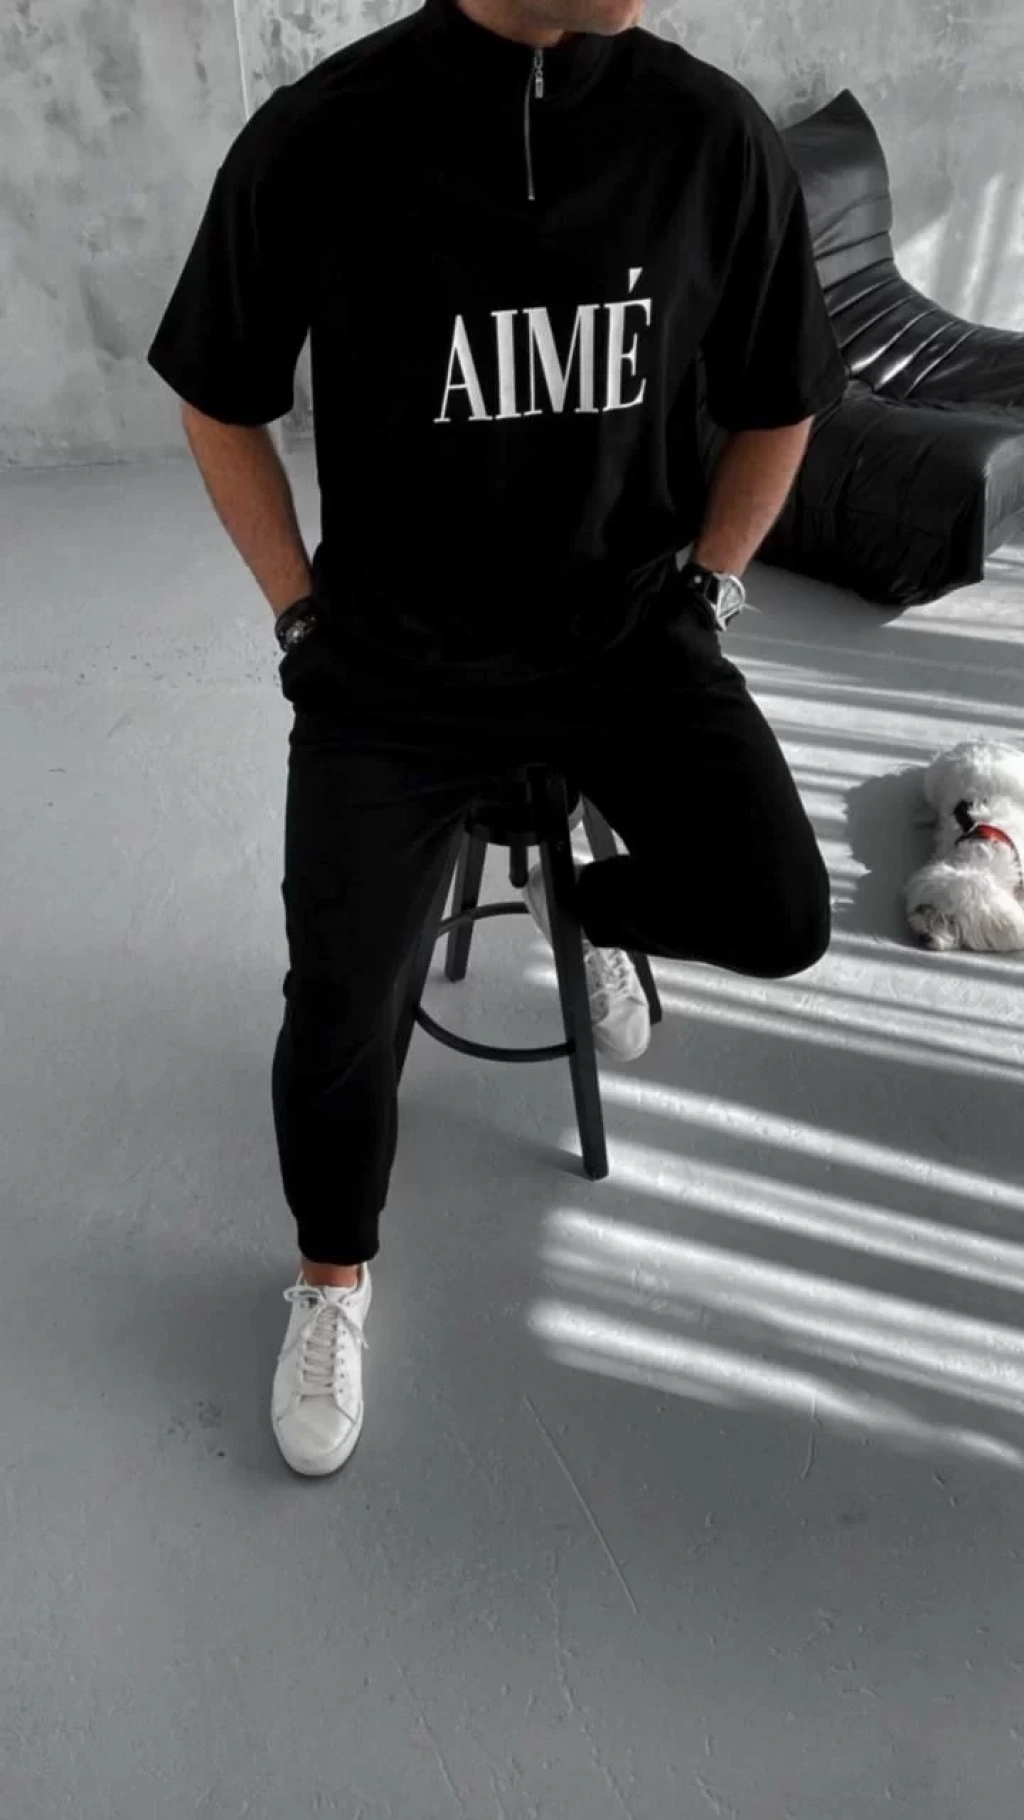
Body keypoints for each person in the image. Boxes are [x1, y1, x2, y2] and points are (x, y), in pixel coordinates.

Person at [148, 0, 848, 1477]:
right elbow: (218, 393)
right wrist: (300, 616)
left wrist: (712, 586)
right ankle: (332, 1275)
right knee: (341, 1010)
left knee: (782, 912)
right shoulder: (326, 134)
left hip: (629, 639)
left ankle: (579, 904)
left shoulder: (709, 134)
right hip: (396, 668)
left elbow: (782, 397)